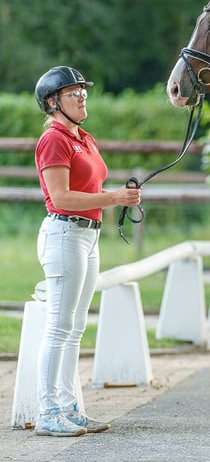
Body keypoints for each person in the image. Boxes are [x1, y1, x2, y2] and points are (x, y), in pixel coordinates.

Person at [32, 66, 142, 437]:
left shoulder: (84, 137)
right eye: (72, 92)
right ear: (52, 102)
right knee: (59, 327)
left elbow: (88, 185)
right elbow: (61, 197)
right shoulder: (54, 139)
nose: (82, 97)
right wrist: (114, 198)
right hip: (64, 234)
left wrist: (121, 196)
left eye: (82, 91)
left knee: (75, 328)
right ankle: (47, 411)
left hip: (87, 236)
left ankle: (67, 405)